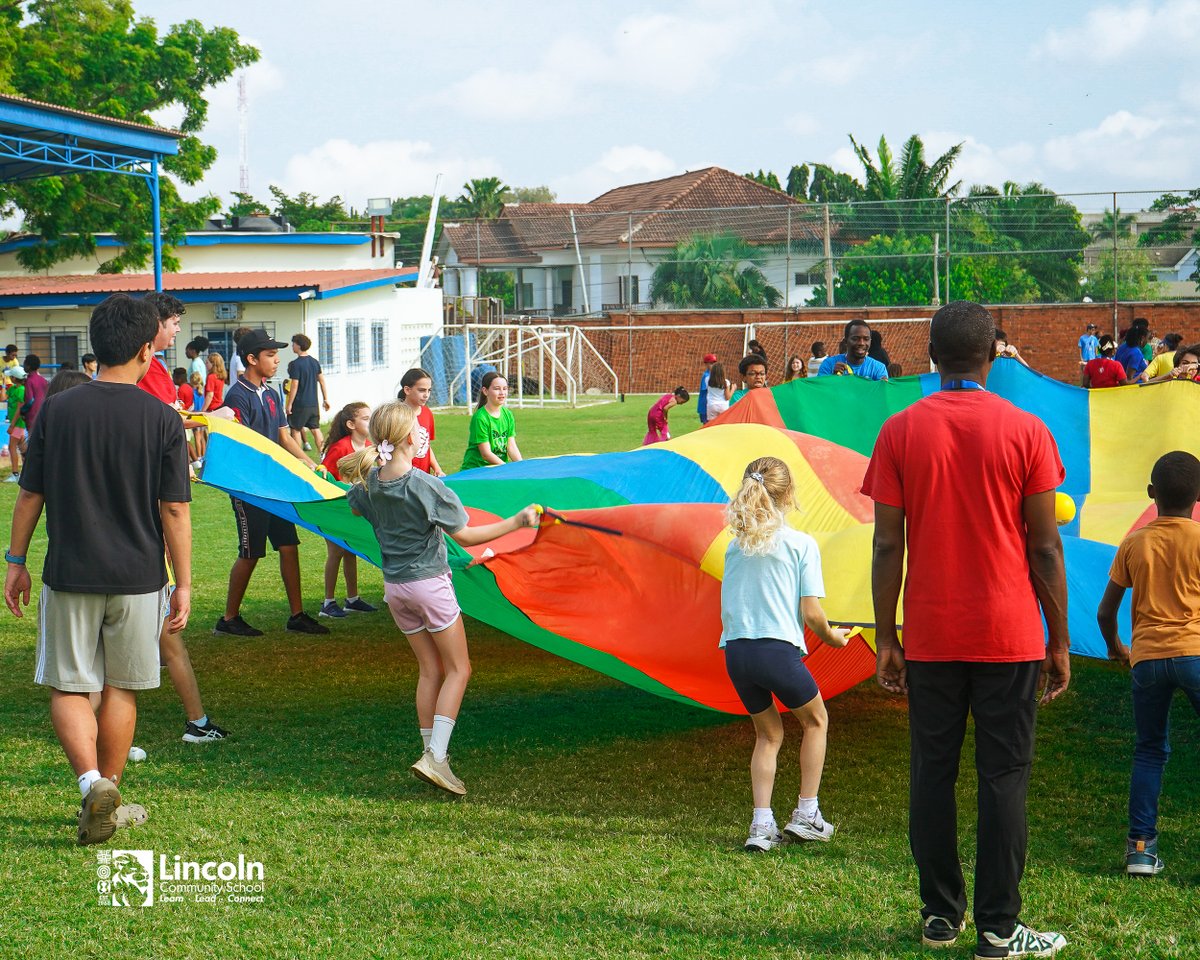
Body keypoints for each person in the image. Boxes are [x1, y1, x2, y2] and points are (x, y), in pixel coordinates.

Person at [863, 300, 1069, 956]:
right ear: (993, 357)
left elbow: (887, 547)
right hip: (1009, 635)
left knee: (933, 773)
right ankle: (1000, 929)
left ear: (930, 354)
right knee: (1003, 777)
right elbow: (1045, 548)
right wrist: (1058, 640)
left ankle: (940, 916)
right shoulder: (1027, 429)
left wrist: (887, 637)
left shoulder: (899, 431)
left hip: (930, 635)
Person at [4, 293, 192, 845]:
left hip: (69, 571)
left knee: (67, 685)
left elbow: (29, 496)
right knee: (121, 688)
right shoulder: (162, 417)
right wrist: (183, 582)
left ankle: (91, 787)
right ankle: (108, 787)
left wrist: (15, 562)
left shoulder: (57, 411)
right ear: (144, 348)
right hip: (139, 577)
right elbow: (175, 509)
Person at [340, 401, 539, 795]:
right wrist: (517, 521)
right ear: (408, 439)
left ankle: (431, 753)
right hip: (430, 586)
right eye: (417, 428)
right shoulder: (427, 485)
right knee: (459, 670)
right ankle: (436, 757)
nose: (421, 433)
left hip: (396, 590)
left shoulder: (367, 485)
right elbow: (465, 536)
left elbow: (357, 506)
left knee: (429, 670)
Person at [720, 457, 850, 852]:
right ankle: (807, 814)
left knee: (769, 734)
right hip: (776, 652)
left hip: (737, 654)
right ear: (788, 494)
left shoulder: (734, 548)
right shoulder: (800, 544)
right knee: (816, 722)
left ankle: (761, 826)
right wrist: (834, 638)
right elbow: (812, 615)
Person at [1096, 451, 1200, 878]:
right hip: (1195, 654)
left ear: (1151, 494)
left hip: (1149, 660)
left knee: (1150, 750)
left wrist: (1117, 647)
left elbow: (1106, 612)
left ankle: (1141, 849)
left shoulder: (1134, 542)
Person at [215, 329, 328, 637]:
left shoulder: (272, 392)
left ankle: (297, 615)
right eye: (270, 355)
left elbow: (283, 436)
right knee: (250, 552)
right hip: (249, 488)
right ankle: (227, 619)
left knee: (289, 546)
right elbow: (229, 425)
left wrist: (307, 463)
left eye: (277, 353)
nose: (277, 359)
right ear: (251, 359)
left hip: (275, 486)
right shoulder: (237, 394)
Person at [318, 401, 378, 619]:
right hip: (334, 508)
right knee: (335, 552)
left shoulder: (371, 445)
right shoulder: (341, 448)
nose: (370, 422)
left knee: (350, 550)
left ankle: (352, 599)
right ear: (351, 424)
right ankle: (328, 602)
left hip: (353, 507)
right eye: (366, 418)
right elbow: (327, 475)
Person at [460, 372, 523, 470]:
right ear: (485, 391)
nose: (502, 393)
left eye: (505, 388)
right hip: (476, 471)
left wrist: (521, 466)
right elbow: (486, 454)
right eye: (497, 389)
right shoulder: (480, 418)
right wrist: (506, 469)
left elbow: (511, 446)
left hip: (498, 469)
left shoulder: (508, 414)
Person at [286, 333, 330, 452]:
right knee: (315, 429)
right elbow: (322, 381)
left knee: (295, 429)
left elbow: (294, 385)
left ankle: (299, 458)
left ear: (299, 345)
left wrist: (289, 404)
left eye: (293, 344)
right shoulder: (315, 362)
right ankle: (323, 455)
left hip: (300, 404)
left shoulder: (296, 364)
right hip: (313, 404)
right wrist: (325, 399)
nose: (292, 346)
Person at [398, 367, 446, 477]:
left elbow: (426, 446)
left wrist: (437, 468)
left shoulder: (427, 412)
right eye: (422, 390)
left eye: (429, 390)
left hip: (424, 476)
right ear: (407, 390)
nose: (426, 395)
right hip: (403, 477)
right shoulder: (397, 415)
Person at [817, 323, 888, 380]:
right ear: (845, 341)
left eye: (866, 339)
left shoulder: (879, 368)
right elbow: (821, 393)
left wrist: (883, 387)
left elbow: (882, 395)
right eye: (855, 339)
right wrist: (833, 378)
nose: (861, 343)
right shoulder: (829, 364)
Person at [5, 365, 25, 482]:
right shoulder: (12, 388)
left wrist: (12, 425)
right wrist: (3, 383)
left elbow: (19, 409)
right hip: (16, 424)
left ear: (14, 378)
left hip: (18, 423)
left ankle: (15, 473)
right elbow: (3, 397)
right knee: (23, 448)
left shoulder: (21, 390)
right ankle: (23, 472)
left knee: (12, 447)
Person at [23, 354, 49, 430]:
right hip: (43, 414)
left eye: (24, 363)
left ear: (28, 366)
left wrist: (22, 411)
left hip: (32, 415)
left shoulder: (29, 381)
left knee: (32, 438)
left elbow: (30, 401)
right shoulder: (43, 380)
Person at [698, 353, 717, 424]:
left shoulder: (713, 375)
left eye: (714, 363)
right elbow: (707, 390)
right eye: (711, 363)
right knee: (707, 426)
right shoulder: (706, 376)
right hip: (705, 406)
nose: (713, 365)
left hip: (711, 406)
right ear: (706, 364)